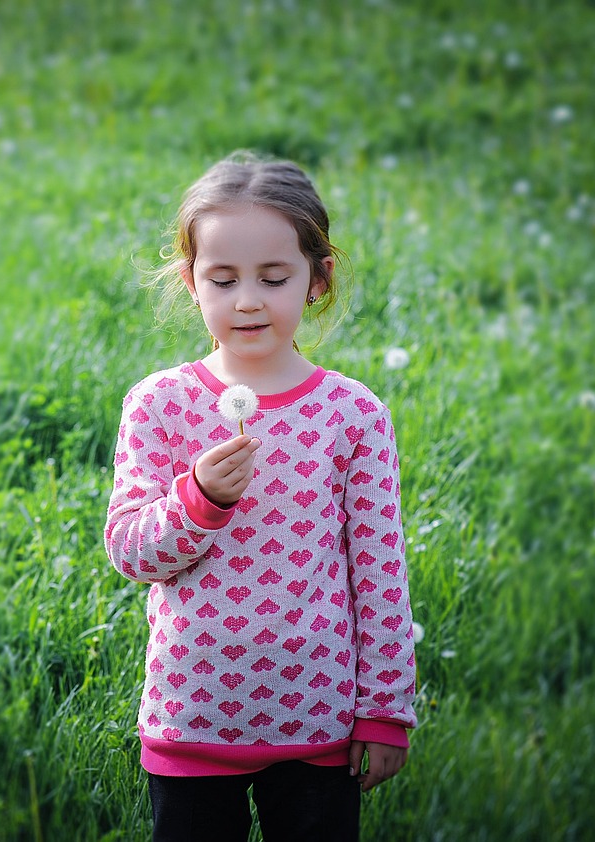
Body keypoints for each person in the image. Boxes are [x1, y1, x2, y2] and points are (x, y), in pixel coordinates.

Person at [104, 152, 416, 841]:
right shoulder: (161, 403)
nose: (248, 299)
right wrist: (199, 501)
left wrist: (385, 712)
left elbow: (381, 572)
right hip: (193, 717)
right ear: (191, 283)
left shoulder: (353, 415)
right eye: (223, 279)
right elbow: (130, 552)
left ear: (317, 279)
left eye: (273, 277)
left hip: (319, 723)